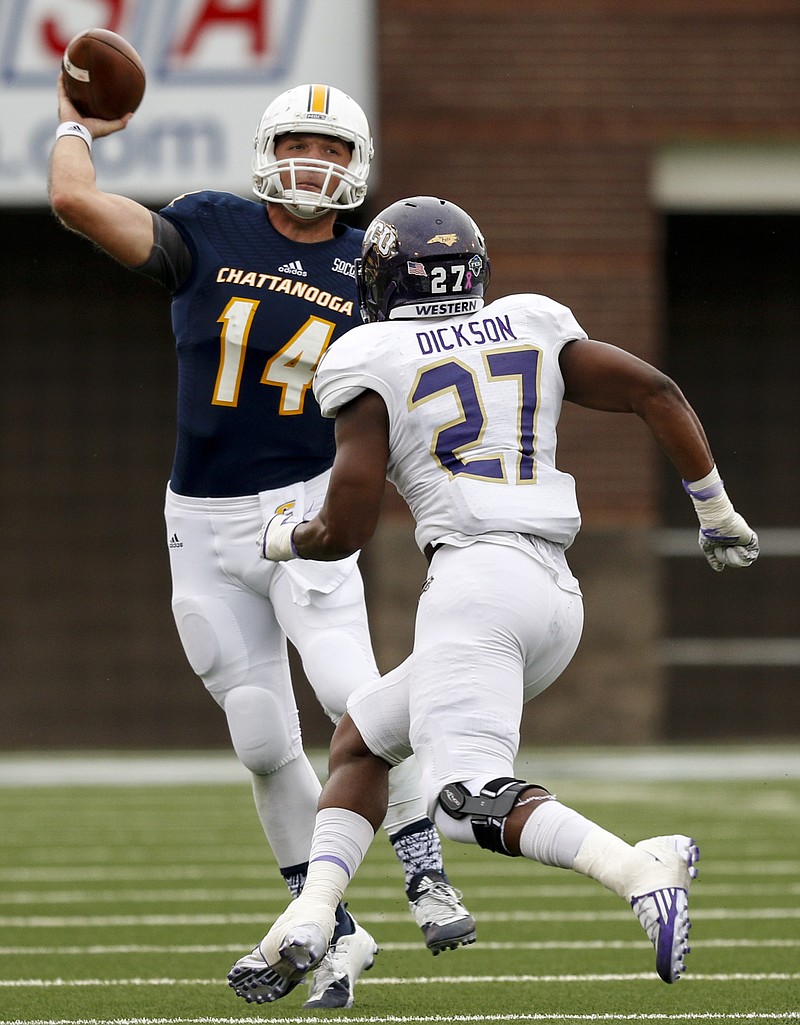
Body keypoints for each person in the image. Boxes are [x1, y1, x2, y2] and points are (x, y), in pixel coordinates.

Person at [235, 194, 760, 998]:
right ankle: (312, 913)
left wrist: (286, 536)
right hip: (556, 595)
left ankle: (637, 868)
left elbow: (345, 527)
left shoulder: (369, 353)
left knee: (463, 799)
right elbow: (656, 390)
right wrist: (715, 509)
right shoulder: (531, 321)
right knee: (362, 736)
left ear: (382, 280)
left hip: (477, 585)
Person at [48, 88, 475, 1009]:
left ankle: (423, 865)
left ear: (359, 162)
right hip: (198, 519)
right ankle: (326, 929)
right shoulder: (212, 225)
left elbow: (438, 380)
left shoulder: (375, 264)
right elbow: (78, 205)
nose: (314, 163)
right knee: (258, 735)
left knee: (347, 696)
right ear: (265, 149)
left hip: (308, 507)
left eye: (332, 146)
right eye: (297, 142)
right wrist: (80, 126)